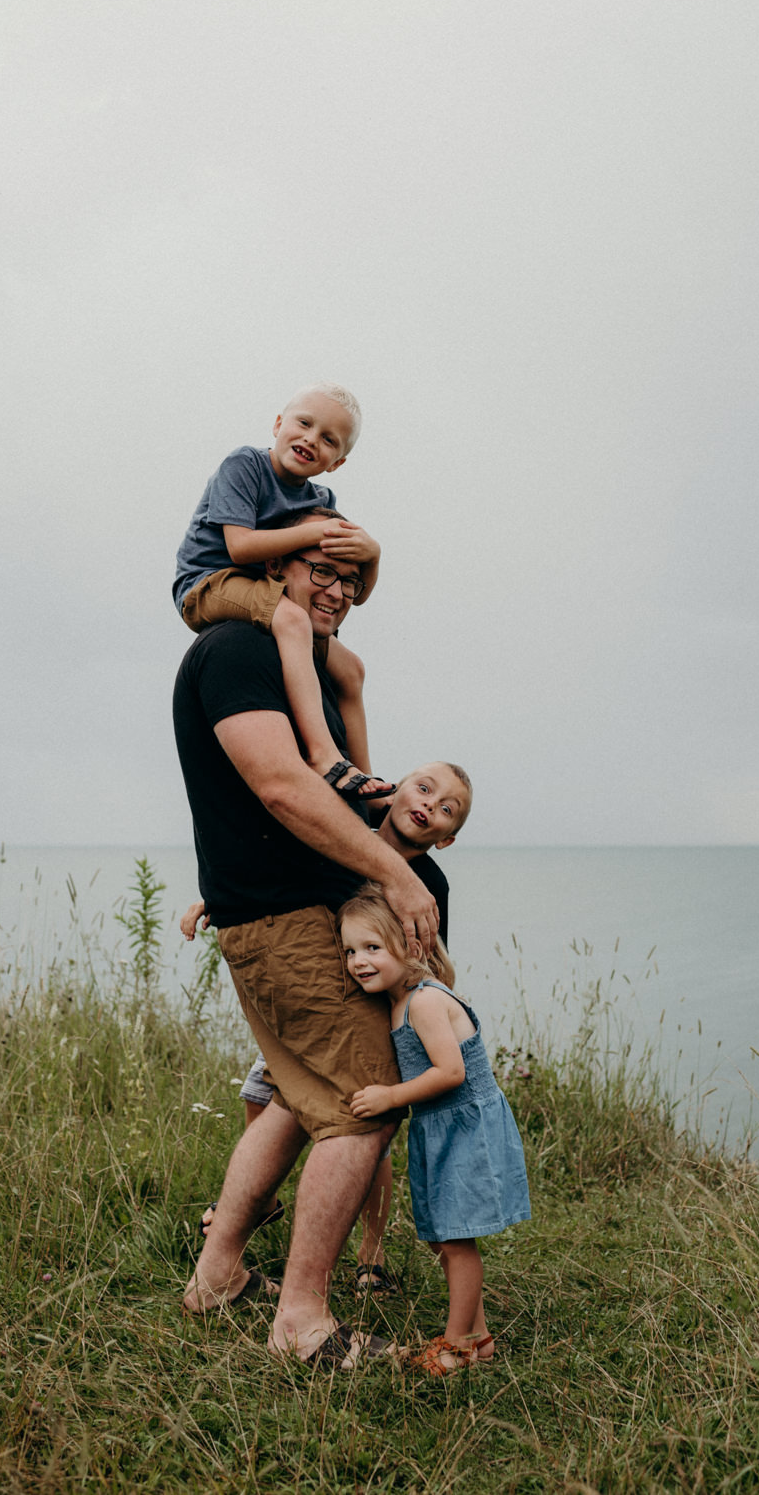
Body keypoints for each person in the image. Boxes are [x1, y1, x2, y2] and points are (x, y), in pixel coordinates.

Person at [174, 509, 439, 1366]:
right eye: (318, 572)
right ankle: (302, 1322)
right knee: (363, 1101)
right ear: (275, 571)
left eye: (350, 584)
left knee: (300, 1097)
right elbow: (283, 787)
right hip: (284, 922)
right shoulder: (240, 651)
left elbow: (309, 796)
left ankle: (218, 1275)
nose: (335, 592)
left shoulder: (302, 669)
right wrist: (397, 879)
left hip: (285, 911)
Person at [185, 761, 473, 1290]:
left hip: (370, 1011)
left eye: (446, 808)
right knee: (264, 1096)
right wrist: (218, 900)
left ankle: (371, 1255)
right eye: (425, 788)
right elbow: (281, 884)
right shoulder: (342, 837)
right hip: (313, 999)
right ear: (394, 790)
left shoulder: (424, 882)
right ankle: (260, 1205)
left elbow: (424, 961)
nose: (430, 804)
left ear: (447, 838)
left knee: (367, 1132)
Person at [340, 888, 531, 1376]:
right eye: (349, 951)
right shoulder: (398, 1000)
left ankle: (457, 1345)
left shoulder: (423, 1002)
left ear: (410, 945)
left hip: (464, 1127)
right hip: (440, 1129)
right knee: (444, 1237)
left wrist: (389, 1096)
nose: (358, 961)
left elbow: (451, 1072)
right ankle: (477, 1337)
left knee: (456, 1241)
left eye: (371, 948)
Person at [173, 382, 392, 798]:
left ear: (337, 462)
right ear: (278, 424)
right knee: (293, 619)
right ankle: (324, 756)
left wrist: (374, 555)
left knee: (351, 669)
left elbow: (355, 593)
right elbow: (239, 546)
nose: (311, 439)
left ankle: (371, 788)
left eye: (329, 439)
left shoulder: (320, 498)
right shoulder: (245, 466)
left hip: (262, 587)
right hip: (208, 582)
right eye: (304, 423)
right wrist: (323, 529)